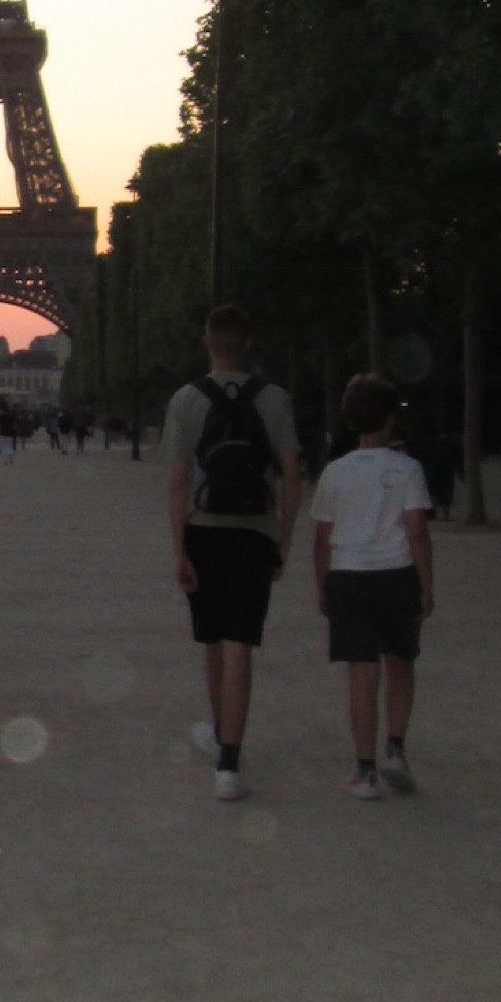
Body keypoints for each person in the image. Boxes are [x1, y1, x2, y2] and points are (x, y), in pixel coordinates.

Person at [164, 303, 302, 800]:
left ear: (206, 342)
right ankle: (228, 763)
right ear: (248, 343)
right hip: (255, 531)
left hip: (204, 529)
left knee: (214, 641)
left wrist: (179, 548)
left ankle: (222, 738)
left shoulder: (185, 399)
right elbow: (291, 472)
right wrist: (282, 538)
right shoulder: (275, 399)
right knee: (241, 640)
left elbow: (179, 480)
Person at [311, 374, 434, 798]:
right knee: (401, 662)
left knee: (361, 674)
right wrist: (426, 584)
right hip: (396, 572)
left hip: (349, 574)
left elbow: (322, 537)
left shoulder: (335, 472)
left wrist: (322, 585)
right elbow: (416, 530)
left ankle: (364, 772)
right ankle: (396, 748)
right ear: (388, 420)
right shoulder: (407, 469)